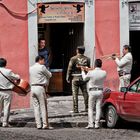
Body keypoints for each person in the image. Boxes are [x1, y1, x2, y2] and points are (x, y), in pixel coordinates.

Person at [82, 59, 107, 129]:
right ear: (101, 65)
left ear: (95, 64)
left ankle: (90, 124)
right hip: (100, 91)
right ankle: (97, 124)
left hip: (92, 91)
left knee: (90, 108)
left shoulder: (91, 72)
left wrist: (83, 71)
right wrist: (90, 70)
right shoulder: (104, 72)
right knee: (98, 108)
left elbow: (84, 78)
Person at [30, 55, 53, 129]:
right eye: (43, 60)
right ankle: (45, 125)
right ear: (40, 60)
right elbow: (49, 75)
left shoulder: (31, 68)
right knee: (43, 107)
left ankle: (38, 125)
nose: (44, 62)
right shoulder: (42, 67)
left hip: (33, 88)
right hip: (40, 87)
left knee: (36, 107)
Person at [66, 46, 90, 113]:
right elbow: (88, 69)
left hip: (75, 78)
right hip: (83, 78)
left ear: (77, 50)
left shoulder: (73, 59)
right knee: (85, 93)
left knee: (75, 94)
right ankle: (87, 107)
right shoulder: (87, 59)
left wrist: (67, 77)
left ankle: (75, 109)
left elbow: (69, 69)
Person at [0, 58, 20, 127]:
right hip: (7, 91)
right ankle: (5, 123)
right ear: (5, 64)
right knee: (6, 107)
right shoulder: (8, 71)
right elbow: (17, 77)